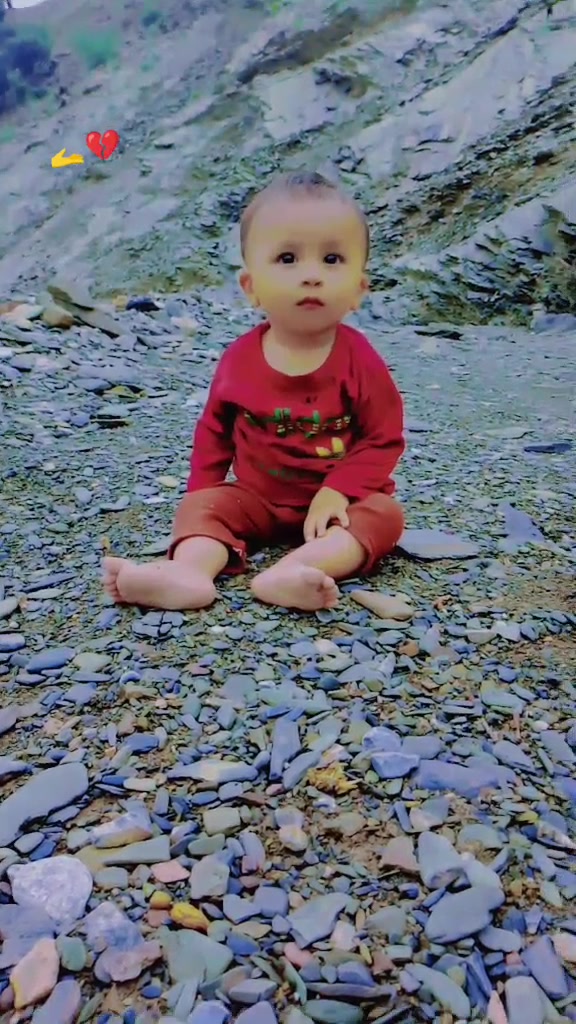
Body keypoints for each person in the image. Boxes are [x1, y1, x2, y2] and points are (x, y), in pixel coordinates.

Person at [102, 171, 406, 613]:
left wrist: (338, 490)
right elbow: (215, 432)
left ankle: (298, 571)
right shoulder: (239, 360)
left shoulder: (360, 361)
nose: (311, 276)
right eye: (287, 258)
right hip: (258, 499)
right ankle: (189, 572)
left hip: (341, 502)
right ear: (251, 287)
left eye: (332, 259)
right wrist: (202, 496)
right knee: (204, 508)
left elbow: (383, 438)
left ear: (359, 289)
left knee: (384, 516)